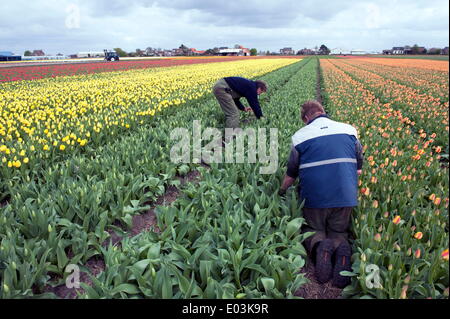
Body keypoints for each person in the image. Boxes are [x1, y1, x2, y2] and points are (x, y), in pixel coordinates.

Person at [278, 100, 364, 288]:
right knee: (338, 229)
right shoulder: (349, 130)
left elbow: (291, 173)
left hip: (315, 198)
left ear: (307, 117)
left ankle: (319, 247)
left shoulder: (300, 137)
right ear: (322, 112)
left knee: (313, 228)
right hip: (345, 195)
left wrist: (281, 191)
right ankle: (341, 248)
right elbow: (358, 167)